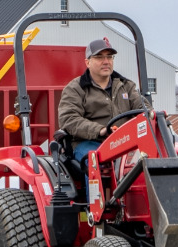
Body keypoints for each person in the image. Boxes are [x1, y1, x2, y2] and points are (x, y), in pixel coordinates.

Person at [58, 37, 150, 174]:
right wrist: (100, 130)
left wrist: (154, 117)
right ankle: (98, 196)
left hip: (126, 143)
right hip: (90, 143)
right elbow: (69, 119)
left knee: (151, 158)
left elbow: (144, 110)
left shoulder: (126, 86)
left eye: (109, 57)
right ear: (87, 62)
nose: (106, 61)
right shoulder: (75, 88)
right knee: (95, 162)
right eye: (99, 57)